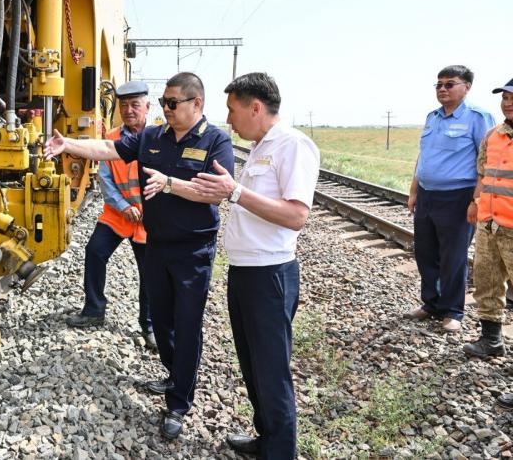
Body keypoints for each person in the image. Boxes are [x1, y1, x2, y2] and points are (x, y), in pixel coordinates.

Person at [44, 72, 234, 440]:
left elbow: (213, 193)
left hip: (193, 250)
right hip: (157, 244)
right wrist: (68, 143)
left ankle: (179, 402)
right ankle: (172, 374)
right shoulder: (152, 137)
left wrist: (169, 184)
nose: (166, 108)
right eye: (164, 102)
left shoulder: (216, 141)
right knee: (161, 321)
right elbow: (108, 150)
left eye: (172, 103)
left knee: (187, 323)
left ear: (197, 104)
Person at [192, 73, 319, 459]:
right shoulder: (262, 146)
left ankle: (281, 453)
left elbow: (296, 216)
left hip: (270, 275)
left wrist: (235, 191)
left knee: (271, 369)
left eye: (232, 111)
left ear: (256, 107)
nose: (228, 121)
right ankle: (266, 438)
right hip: (245, 272)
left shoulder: (293, 146)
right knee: (251, 363)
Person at [65, 81, 156, 351]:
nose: (128, 110)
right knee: (95, 251)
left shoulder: (157, 138)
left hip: (147, 219)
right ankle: (94, 309)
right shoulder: (113, 137)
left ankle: (149, 324)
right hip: (118, 214)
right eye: (124, 105)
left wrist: (142, 209)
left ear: (147, 107)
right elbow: (105, 179)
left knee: (149, 273)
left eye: (134, 105)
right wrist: (122, 206)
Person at [404, 65, 496, 331]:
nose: (442, 89)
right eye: (439, 85)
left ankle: (453, 311)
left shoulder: (478, 117)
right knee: (425, 252)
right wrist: (413, 191)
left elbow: (486, 162)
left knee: (453, 257)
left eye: (449, 84)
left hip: (458, 197)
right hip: (427, 195)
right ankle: (431, 303)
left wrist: (476, 201)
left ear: (466, 87)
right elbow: (424, 157)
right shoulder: (432, 117)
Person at [463, 78, 513, 359]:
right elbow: (483, 173)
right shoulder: (494, 135)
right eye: (504, 98)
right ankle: (491, 341)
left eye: (512, 98)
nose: (507, 103)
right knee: (487, 282)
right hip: (490, 225)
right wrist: (475, 202)